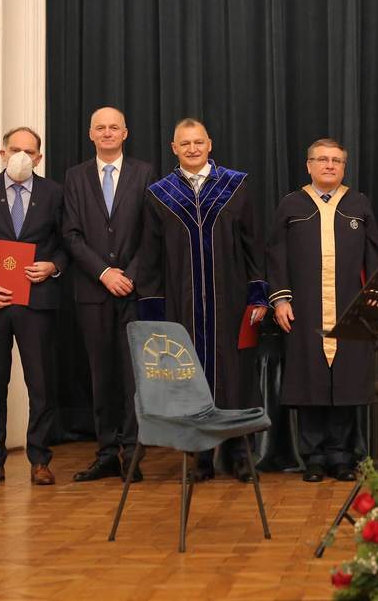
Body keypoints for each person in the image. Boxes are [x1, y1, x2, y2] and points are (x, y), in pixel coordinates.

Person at [136, 117, 269, 482]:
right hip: (183, 306)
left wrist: (258, 292)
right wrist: (153, 309)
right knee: (189, 378)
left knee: (236, 378)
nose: (192, 149)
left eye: (198, 142)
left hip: (232, 302)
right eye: (185, 143)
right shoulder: (159, 194)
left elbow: (253, 244)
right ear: (174, 148)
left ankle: (240, 455)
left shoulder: (235, 185)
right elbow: (150, 256)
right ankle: (200, 457)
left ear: (209, 144)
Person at [0, 126, 69, 487]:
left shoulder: (54, 193)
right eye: (15, 149)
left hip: (37, 302)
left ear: (39, 158)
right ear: (2, 153)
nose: (22, 156)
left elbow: (67, 244)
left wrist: (52, 266)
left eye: (29, 151)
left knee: (41, 384)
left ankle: (40, 460)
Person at [267, 138, 378, 483]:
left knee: (346, 382)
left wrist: (373, 300)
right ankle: (314, 457)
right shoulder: (292, 204)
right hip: (304, 309)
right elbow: (276, 255)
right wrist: (281, 299)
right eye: (322, 159)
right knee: (310, 381)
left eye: (336, 160)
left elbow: (374, 255)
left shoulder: (358, 203)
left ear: (344, 166)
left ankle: (342, 456)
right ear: (309, 165)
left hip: (349, 308)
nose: (329, 165)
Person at [62, 107, 154, 483]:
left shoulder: (145, 173)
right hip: (92, 292)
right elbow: (70, 234)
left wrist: (128, 275)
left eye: (114, 127)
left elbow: (151, 234)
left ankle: (132, 453)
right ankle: (105, 453)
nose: (107, 132)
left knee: (133, 376)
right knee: (100, 376)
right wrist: (104, 273)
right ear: (91, 134)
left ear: (125, 133)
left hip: (133, 291)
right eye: (100, 128)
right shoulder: (75, 176)